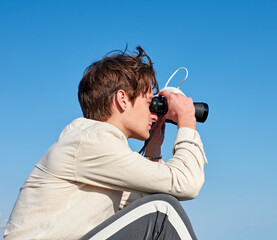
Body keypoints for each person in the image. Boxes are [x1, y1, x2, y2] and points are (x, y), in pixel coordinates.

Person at [4, 46, 207, 239]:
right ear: (122, 99)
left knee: (158, 205)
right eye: (149, 103)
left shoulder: (100, 151)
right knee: (163, 211)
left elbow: (140, 205)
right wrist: (187, 120)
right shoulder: (92, 140)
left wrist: (154, 149)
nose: (154, 113)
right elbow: (186, 184)